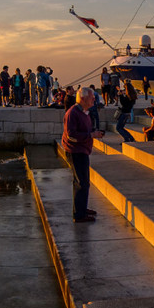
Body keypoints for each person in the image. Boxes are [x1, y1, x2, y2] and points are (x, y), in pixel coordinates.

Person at [62, 87, 104, 223]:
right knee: (82, 183)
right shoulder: (72, 113)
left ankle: (81, 209)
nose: (94, 99)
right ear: (83, 98)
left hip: (82, 150)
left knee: (82, 182)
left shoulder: (84, 112)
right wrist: (91, 135)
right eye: (92, 97)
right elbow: (71, 136)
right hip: (76, 152)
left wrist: (94, 133)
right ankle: (79, 215)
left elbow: (83, 130)